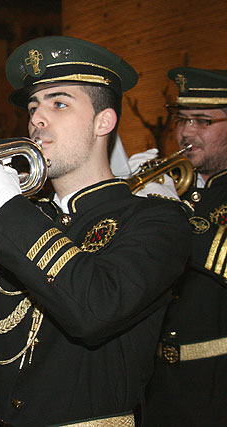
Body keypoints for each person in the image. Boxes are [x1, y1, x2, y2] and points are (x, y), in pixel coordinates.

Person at [0, 36, 192, 426]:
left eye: (59, 104)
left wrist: (4, 202)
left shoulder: (156, 221)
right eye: (33, 107)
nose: (37, 120)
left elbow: (95, 311)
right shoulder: (23, 220)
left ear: (104, 121)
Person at [145, 68, 227, 426]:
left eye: (203, 121)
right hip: (155, 383)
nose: (186, 132)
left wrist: (170, 217)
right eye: (182, 120)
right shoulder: (180, 187)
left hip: (217, 385)